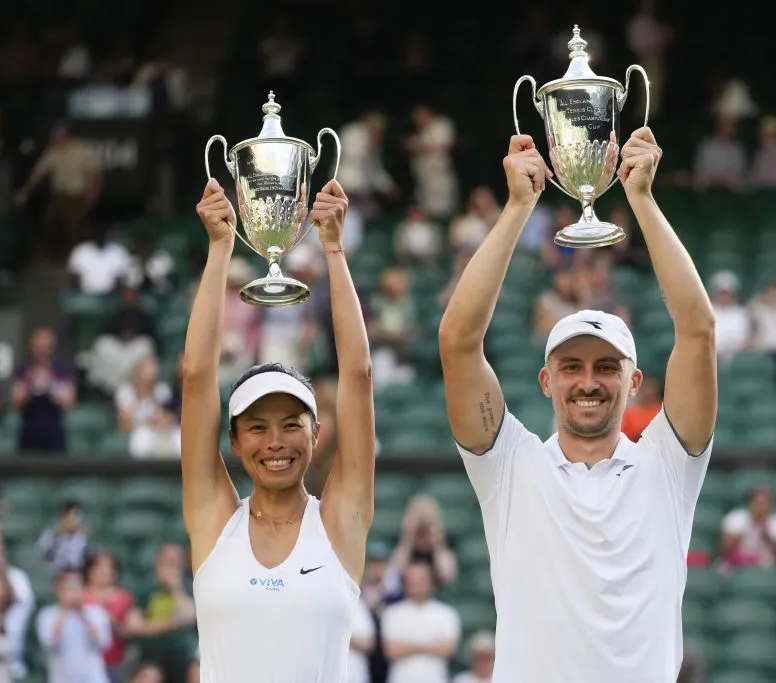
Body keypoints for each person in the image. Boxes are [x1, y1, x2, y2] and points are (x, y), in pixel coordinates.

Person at [438, 131, 717, 683]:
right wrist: (519, 206)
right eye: (572, 367)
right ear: (546, 380)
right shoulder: (511, 465)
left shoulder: (668, 462)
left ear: (635, 381)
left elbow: (698, 329)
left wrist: (642, 200)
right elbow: (457, 341)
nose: (588, 382)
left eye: (606, 367)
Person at [183, 178, 375, 682]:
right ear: (234, 441)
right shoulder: (214, 521)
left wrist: (333, 247)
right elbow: (198, 376)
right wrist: (221, 247)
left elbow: (357, 376)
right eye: (257, 427)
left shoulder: (339, 524)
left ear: (316, 436)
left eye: (292, 425)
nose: (275, 442)